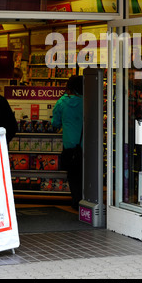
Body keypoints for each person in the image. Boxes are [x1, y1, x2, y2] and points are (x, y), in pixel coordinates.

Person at [51, 75, 83, 210]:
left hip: (69, 145)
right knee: (85, 173)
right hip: (86, 145)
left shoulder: (62, 102)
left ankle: (76, 201)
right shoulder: (87, 101)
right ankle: (87, 200)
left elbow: (55, 123)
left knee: (73, 174)